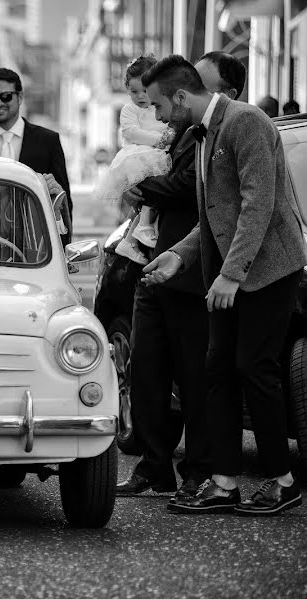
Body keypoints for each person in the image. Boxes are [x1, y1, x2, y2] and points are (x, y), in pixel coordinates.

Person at [142, 55, 306, 516]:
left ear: (180, 96)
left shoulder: (246, 121)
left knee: (256, 368)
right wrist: (178, 256)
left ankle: (282, 481)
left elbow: (259, 204)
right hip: (232, 271)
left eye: (157, 105)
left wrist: (231, 275)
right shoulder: (201, 134)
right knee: (218, 371)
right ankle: (224, 481)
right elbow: (214, 216)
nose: (156, 116)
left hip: (271, 268)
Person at [116, 51, 246, 505]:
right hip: (154, 264)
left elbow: (190, 188)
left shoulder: (217, 133)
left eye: (160, 104)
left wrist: (141, 186)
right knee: (145, 371)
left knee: (194, 377)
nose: (158, 113)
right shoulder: (177, 130)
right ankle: (154, 467)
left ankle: (197, 471)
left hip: (191, 270)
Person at [0, 68, 73, 247]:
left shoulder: (48, 141)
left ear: (20, 97)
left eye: (5, 96)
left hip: (36, 250)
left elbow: (62, 200)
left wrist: (63, 252)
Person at [98, 56, 174, 265]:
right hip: (137, 156)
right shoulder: (130, 109)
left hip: (154, 155)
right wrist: (161, 140)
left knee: (152, 196)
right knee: (149, 192)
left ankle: (132, 237)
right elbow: (131, 133)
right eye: (134, 91)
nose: (140, 96)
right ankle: (139, 230)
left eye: (145, 91)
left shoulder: (160, 108)